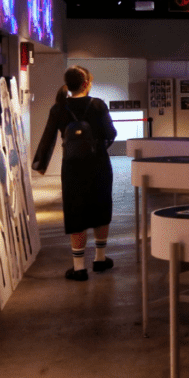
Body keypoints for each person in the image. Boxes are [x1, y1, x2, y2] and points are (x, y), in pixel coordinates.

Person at [32, 66, 117, 282]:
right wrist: (99, 147)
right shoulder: (98, 105)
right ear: (86, 83)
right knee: (100, 207)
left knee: (75, 210)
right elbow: (111, 133)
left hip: (72, 167)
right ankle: (99, 259)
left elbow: (48, 137)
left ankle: (78, 268)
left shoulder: (59, 108)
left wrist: (40, 164)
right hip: (98, 164)